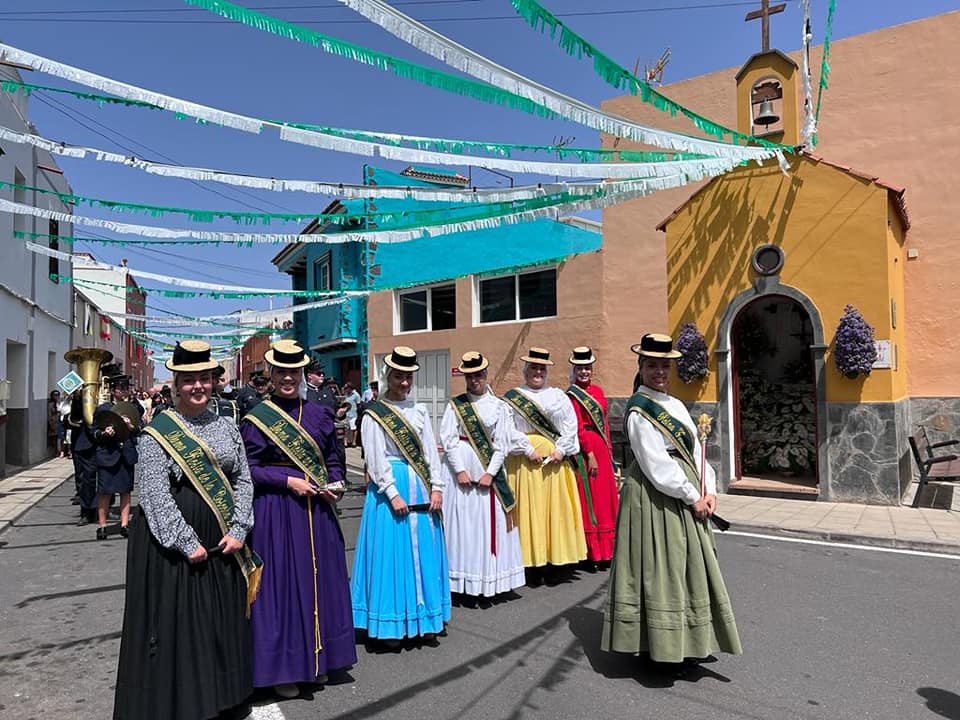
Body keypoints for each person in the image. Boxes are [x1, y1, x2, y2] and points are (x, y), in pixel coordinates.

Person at [113, 340, 259, 720]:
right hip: (178, 549)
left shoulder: (227, 426)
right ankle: (189, 703)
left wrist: (240, 527)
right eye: (190, 380)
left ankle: (224, 696)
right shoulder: (157, 433)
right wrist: (185, 541)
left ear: (214, 381)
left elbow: (244, 479)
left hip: (224, 541)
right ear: (176, 384)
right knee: (185, 626)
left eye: (204, 379)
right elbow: (154, 494)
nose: (198, 386)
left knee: (222, 622)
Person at [602, 333, 741, 669]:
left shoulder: (675, 405)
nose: (659, 372)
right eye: (652, 365)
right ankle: (659, 642)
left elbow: (694, 450)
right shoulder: (639, 410)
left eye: (664, 366)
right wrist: (692, 495)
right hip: (655, 497)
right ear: (641, 367)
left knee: (689, 563)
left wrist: (709, 488)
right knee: (661, 564)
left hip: (685, 489)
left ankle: (690, 638)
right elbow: (656, 464)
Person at [240, 339, 355, 699]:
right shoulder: (257, 417)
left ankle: (319, 660)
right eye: (281, 372)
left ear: (302, 373)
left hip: (317, 510)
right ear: (271, 374)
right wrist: (287, 481)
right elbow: (248, 469)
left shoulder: (320, 413)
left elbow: (333, 459)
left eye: (294, 371)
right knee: (283, 587)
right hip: (277, 510)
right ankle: (284, 668)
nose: (288, 378)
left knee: (320, 582)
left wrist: (335, 483)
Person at [352, 346, 450, 647]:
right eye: (398, 376)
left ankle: (426, 619)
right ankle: (391, 624)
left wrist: (437, 486)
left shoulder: (419, 410)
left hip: (420, 486)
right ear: (388, 376)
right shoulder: (374, 415)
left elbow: (429, 451)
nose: (404, 382)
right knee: (392, 558)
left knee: (425, 555)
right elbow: (375, 458)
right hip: (389, 492)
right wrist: (392, 493)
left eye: (408, 377)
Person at [440, 351, 524, 603]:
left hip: (489, 472)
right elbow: (448, 439)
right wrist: (459, 470)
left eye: (478, 375)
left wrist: (490, 473)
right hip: (459, 474)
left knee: (487, 526)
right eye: (469, 376)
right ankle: (462, 582)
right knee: (462, 526)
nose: (474, 380)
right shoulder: (456, 405)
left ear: (486, 374)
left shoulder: (499, 406)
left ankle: (489, 580)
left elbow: (502, 444)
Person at [503, 347, 587, 585]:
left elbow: (570, 425)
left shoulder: (558, 397)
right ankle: (529, 565)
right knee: (527, 513)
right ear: (525, 370)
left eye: (541, 368)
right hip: (523, 463)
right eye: (533, 368)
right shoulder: (513, 397)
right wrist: (527, 449)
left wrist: (561, 450)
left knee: (554, 512)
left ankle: (555, 561)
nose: (537, 372)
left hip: (554, 464)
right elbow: (506, 429)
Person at [566, 347, 619, 570]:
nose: (584, 372)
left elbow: (604, 423)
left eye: (587, 368)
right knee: (591, 500)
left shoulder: (598, 391)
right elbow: (576, 426)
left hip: (602, 449)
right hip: (586, 450)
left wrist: (609, 450)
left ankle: (608, 551)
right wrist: (589, 454)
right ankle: (592, 554)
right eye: (580, 368)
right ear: (574, 370)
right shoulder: (572, 395)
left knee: (606, 498)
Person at [92, 371, 143, 540]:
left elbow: (140, 429)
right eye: (121, 388)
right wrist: (104, 433)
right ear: (113, 390)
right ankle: (102, 526)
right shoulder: (103, 409)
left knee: (125, 491)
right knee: (104, 492)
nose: (124, 390)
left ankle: (124, 524)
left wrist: (132, 428)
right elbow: (93, 431)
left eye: (126, 387)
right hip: (108, 454)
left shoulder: (133, 408)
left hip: (126, 454)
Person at [342, 382, 361, 447]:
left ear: (350, 388)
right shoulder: (346, 395)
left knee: (353, 428)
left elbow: (359, 404)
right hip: (346, 414)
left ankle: (354, 442)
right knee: (345, 429)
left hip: (353, 414)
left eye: (346, 388)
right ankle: (345, 442)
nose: (345, 389)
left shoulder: (356, 395)